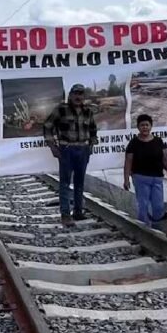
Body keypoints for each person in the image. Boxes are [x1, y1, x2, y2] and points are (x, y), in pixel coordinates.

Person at [43, 83, 98, 227]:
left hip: (83, 150)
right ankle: (65, 215)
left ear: (83, 96)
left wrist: (91, 144)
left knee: (80, 183)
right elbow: (47, 127)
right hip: (66, 150)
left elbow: (93, 129)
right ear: (70, 95)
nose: (78, 97)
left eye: (81, 94)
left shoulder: (88, 111)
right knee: (65, 183)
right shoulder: (61, 110)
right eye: (75, 94)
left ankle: (78, 212)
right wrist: (52, 147)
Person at [123, 114, 167, 229]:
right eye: (142, 125)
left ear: (151, 126)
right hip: (140, 178)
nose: (145, 127)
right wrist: (126, 179)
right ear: (138, 127)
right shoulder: (133, 143)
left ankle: (158, 230)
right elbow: (128, 162)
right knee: (144, 205)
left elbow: (165, 160)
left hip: (157, 178)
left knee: (158, 206)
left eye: (147, 125)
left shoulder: (158, 141)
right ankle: (144, 229)